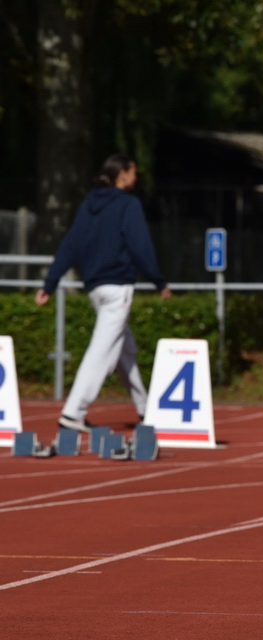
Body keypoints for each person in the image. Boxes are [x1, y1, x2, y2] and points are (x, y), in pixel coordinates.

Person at [35, 154, 171, 432]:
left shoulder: (89, 205)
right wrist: (158, 281)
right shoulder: (128, 204)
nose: (136, 178)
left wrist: (50, 283)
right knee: (102, 352)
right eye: (133, 172)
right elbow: (139, 245)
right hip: (117, 287)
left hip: (96, 288)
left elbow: (70, 244)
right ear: (122, 174)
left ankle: (146, 409)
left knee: (124, 350)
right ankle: (74, 411)